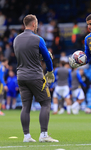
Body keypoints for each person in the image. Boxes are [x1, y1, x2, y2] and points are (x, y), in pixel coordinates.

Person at [13, 14, 58, 142]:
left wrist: (37, 56)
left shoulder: (16, 39)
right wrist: (50, 71)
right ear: (34, 24)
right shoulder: (38, 39)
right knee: (45, 102)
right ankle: (44, 135)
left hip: (21, 76)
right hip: (35, 76)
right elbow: (47, 58)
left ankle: (26, 136)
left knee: (25, 106)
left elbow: (24, 55)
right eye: (36, 23)